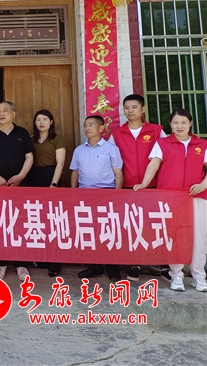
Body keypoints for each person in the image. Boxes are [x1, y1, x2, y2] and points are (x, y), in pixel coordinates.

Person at [134, 108, 207, 292]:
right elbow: (154, 164)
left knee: (199, 237)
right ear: (170, 125)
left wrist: (203, 184)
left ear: (190, 124)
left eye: (183, 122)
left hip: (196, 195)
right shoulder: (162, 143)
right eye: (175, 123)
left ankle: (199, 276)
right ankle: (176, 275)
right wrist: (144, 183)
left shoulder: (202, 144)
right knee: (174, 237)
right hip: (171, 198)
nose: (179, 126)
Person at [109, 94, 166, 282]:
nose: (130, 111)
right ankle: (134, 264)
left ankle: (163, 264)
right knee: (132, 227)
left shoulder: (157, 131)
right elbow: (112, 161)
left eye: (134, 107)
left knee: (156, 225)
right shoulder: (117, 133)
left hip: (154, 186)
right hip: (128, 187)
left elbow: (167, 155)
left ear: (143, 109)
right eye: (126, 107)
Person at [0, 102, 34, 281]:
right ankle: (0, 263)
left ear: (13, 114)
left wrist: (21, 176)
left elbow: (29, 156)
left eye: (5, 111)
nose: (1, 114)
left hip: (19, 187)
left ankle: (21, 263)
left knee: (20, 223)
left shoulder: (22, 133)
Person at [71, 115, 123, 281]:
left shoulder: (111, 148)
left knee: (108, 232)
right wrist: (73, 193)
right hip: (85, 196)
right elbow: (75, 172)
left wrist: (117, 195)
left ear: (101, 128)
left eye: (91, 125)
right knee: (90, 232)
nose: (87, 128)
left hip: (106, 194)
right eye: (85, 125)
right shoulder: (79, 150)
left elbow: (118, 173)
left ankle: (112, 267)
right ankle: (94, 266)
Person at [28, 109, 66, 277]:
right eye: (38, 119)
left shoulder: (57, 139)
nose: (41, 122)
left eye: (45, 119)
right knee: (37, 221)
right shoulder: (31, 140)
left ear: (51, 122)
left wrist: (54, 184)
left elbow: (60, 163)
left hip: (51, 178)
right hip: (33, 179)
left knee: (53, 222)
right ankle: (40, 258)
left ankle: (55, 261)